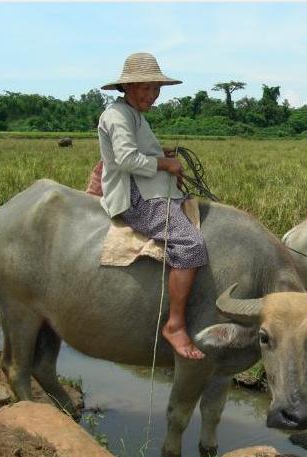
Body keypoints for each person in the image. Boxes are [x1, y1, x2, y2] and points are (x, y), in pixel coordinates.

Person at [96, 52, 207, 360]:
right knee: (190, 245)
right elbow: (127, 159)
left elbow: (139, 149)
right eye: (144, 88)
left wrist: (164, 154)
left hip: (150, 187)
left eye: (155, 89)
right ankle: (174, 325)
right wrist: (164, 163)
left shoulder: (134, 115)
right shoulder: (117, 115)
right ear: (127, 88)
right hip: (135, 196)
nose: (151, 95)